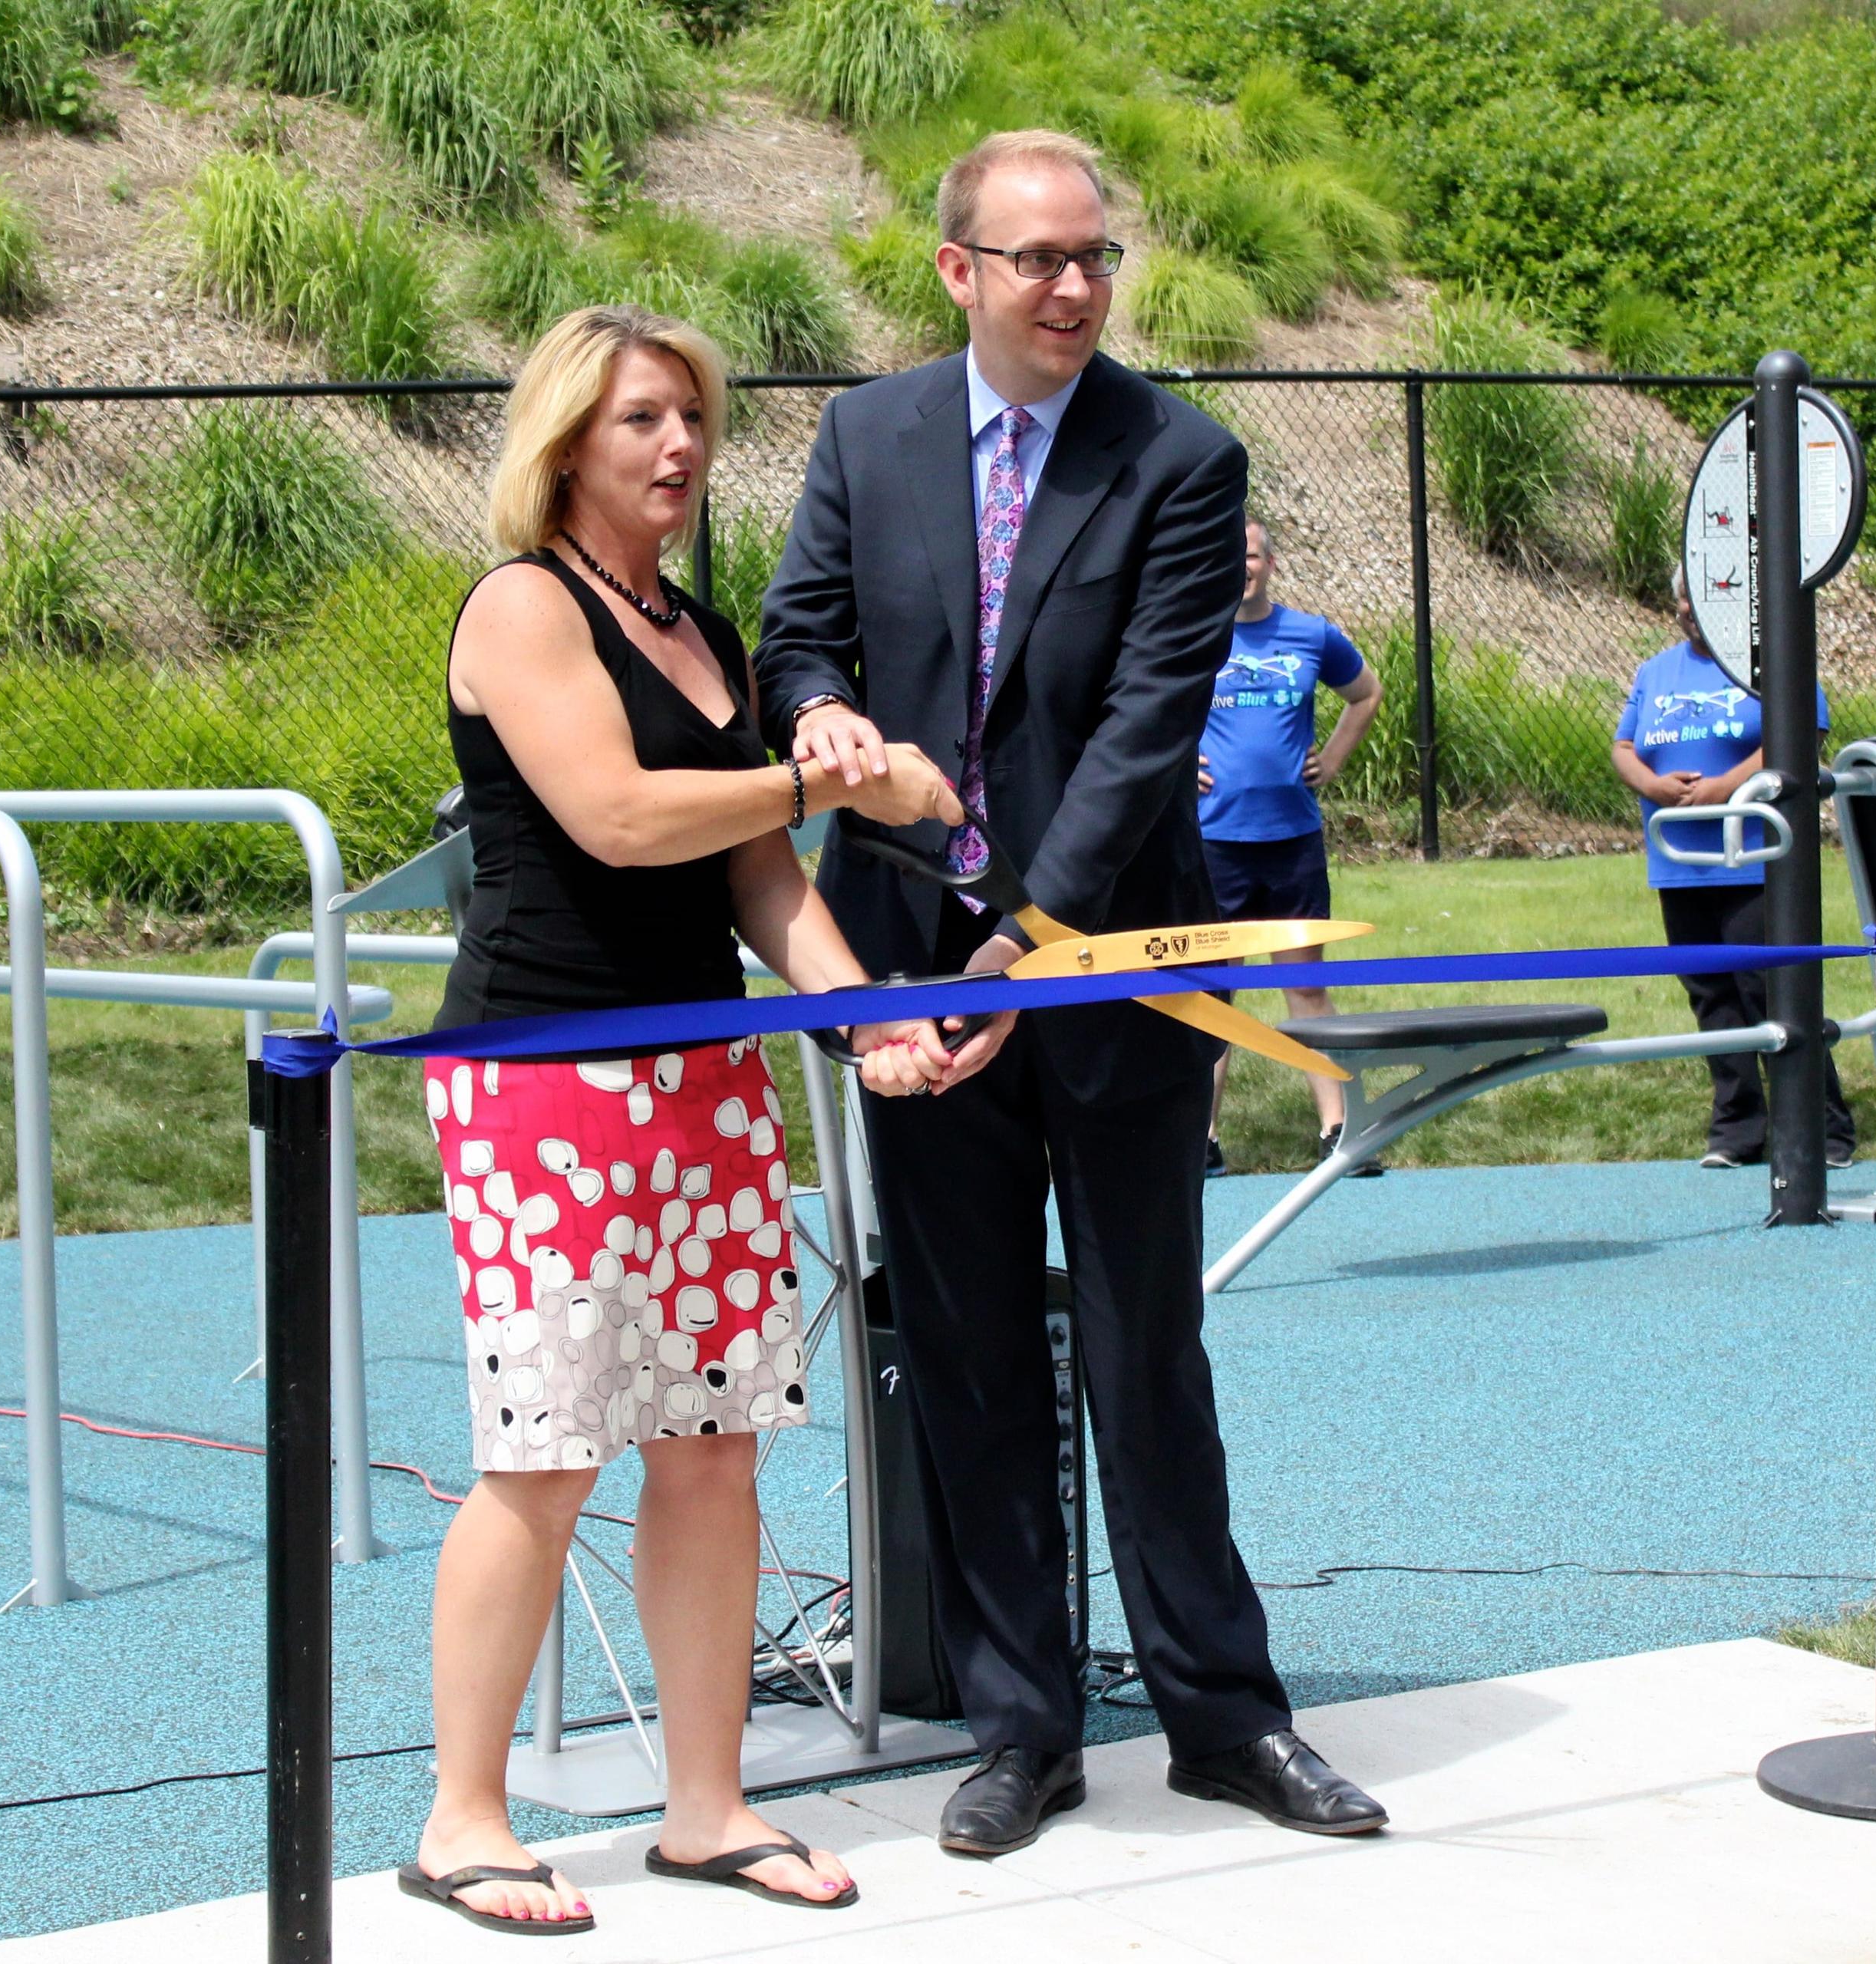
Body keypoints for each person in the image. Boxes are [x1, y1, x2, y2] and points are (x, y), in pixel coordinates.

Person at [756, 130, 1386, 1858]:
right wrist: (816, 709)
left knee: (1143, 1349)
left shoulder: (1179, 455)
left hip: (1110, 970)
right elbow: (798, 629)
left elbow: (1145, 726)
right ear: (957, 270)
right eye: (1037, 257)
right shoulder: (867, 435)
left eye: (1094, 256)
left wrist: (1030, 935)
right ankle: (1022, 1729)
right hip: (913, 972)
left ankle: (1223, 1717)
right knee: (966, 1355)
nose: (1073, 286)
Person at [410, 304, 970, 1937]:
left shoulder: (704, 630)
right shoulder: (523, 605)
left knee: (715, 1453)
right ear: (565, 441)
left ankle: (707, 1808)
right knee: (546, 1457)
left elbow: (757, 880)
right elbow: (618, 813)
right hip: (546, 1083)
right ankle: (462, 1819)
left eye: (694, 419)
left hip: (706, 1077)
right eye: (641, 419)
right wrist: (835, 780)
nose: (679, 446)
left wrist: (870, 1016)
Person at [1612, 568, 1855, 1171]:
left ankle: (1823, 1128)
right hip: (1680, 862)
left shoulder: (1772, 661)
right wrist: (1652, 785)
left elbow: (1803, 731)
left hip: (1754, 859)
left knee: (1771, 990)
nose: (1692, 610)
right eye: (1684, 598)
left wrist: (1726, 786)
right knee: (1710, 995)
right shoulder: (1656, 673)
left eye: (1706, 597)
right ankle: (1738, 1130)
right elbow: (1624, 747)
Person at [1195, 515, 1383, 1177]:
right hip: (1214, 842)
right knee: (1216, 994)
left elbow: (1366, 693)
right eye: (1230, 556)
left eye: (1251, 556)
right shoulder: (1193, 634)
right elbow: (1141, 707)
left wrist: (1333, 758)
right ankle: (1201, 1139)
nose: (1241, 567)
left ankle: (1338, 1131)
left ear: (1270, 564)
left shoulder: (1310, 634)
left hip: (1291, 840)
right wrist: (1175, 761)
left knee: (1305, 985)